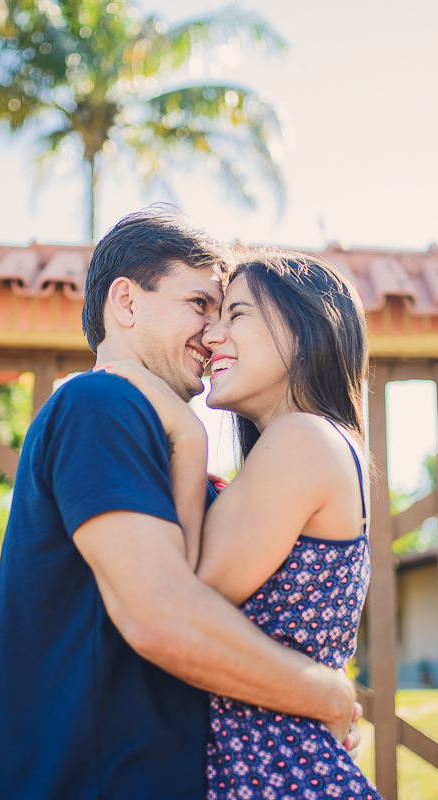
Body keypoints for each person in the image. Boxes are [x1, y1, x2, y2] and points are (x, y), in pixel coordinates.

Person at [0, 210, 359, 800]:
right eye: (200, 304)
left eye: (227, 313)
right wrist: (327, 694)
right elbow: (164, 615)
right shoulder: (101, 403)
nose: (212, 334)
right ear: (126, 303)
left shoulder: (189, 456)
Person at [97, 249, 384, 800]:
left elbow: (182, 596)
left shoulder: (303, 439)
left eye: (236, 314)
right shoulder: (310, 447)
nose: (212, 335)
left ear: (304, 329)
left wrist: (187, 435)